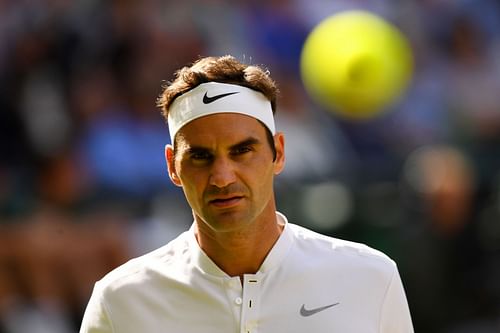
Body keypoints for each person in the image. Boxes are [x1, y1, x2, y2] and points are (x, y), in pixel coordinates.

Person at [79, 55, 414, 332]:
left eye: (242, 151)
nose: (222, 177)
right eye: (200, 156)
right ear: (172, 166)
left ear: (278, 152)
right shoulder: (119, 299)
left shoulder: (371, 277)